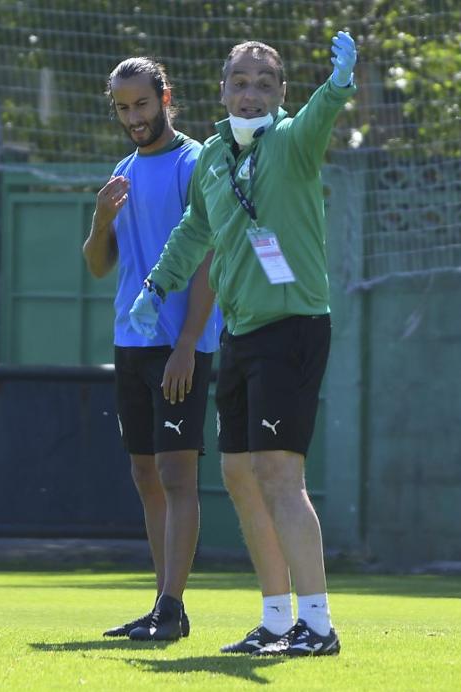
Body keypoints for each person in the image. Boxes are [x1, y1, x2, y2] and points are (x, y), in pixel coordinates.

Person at [129, 31, 358, 657]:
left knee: (281, 475)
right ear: (222, 89)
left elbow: (321, 115)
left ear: (281, 93)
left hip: (293, 328)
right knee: (238, 474)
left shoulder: (290, 140)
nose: (250, 93)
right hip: (241, 332)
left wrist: (337, 86)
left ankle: (318, 625)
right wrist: (157, 286)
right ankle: (277, 619)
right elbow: (194, 229)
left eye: (263, 83)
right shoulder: (213, 157)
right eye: (240, 81)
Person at [84, 57, 221, 641]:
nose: (134, 117)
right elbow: (97, 266)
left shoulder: (196, 164)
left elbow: (209, 259)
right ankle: (165, 604)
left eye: (142, 104)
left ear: (166, 97)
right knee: (145, 472)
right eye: (123, 107)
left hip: (179, 344)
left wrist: (189, 343)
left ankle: (172, 603)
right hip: (129, 341)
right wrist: (100, 217)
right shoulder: (122, 170)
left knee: (177, 472)